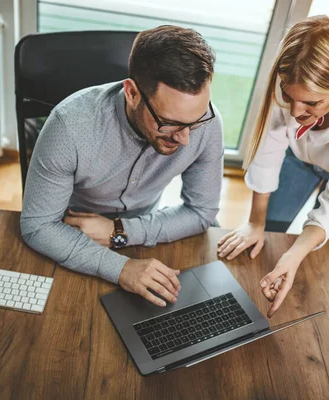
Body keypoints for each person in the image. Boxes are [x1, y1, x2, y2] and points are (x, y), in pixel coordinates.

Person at [21, 26, 224, 308]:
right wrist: (121, 268)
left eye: (196, 120)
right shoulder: (68, 127)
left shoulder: (208, 124)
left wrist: (121, 231)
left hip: (146, 228)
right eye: (170, 122)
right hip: (74, 233)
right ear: (132, 93)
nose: (186, 138)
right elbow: (38, 226)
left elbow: (203, 212)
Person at [218, 15, 329, 317]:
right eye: (289, 96)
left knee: (317, 245)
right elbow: (268, 154)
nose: (295, 111)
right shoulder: (289, 80)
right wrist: (255, 223)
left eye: (311, 103)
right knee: (269, 231)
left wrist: (293, 255)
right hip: (298, 159)